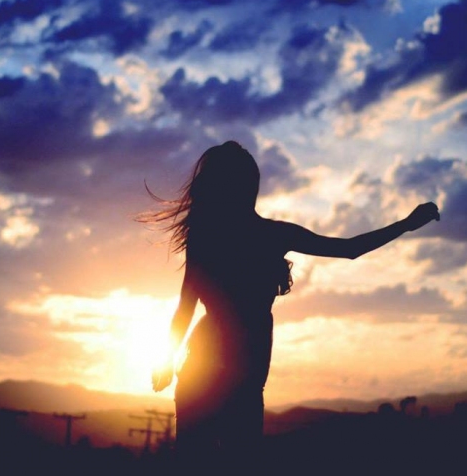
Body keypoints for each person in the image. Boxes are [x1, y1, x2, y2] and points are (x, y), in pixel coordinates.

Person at [143, 141, 439, 471]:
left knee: (199, 465)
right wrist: (404, 225)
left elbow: (186, 306)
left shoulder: (208, 236)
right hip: (234, 372)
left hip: (208, 368)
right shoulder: (269, 235)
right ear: (250, 186)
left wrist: (167, 359)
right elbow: (349, 249)